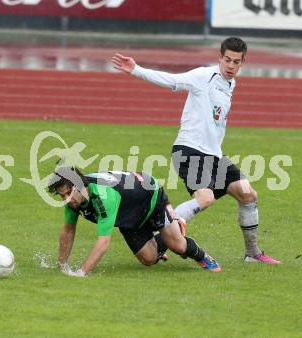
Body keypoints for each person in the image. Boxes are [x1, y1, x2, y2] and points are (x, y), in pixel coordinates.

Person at [111, 37, 281, 264]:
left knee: (247, 193)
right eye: (227, 60)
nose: (230, 66)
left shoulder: (231, 84)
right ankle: (165, 229)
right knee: (205, 197)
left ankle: (252, 254)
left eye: (236, 62)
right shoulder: (204, 76)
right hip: (189, 151)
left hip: (214, 156)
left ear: (243, 63)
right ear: (219, 58)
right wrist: (136, 70)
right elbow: (172, 81)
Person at [47, 166, 222, 277]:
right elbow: (68, 231)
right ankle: (169, 233)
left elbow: (103, 242)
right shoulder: (74, 200)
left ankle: (202, 256)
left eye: (69, 193)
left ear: (80, 185)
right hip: (128, 212)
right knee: (148, 260)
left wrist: (81, 272)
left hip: (150, 196)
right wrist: (61, 266)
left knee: (178, 246)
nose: (67, 199)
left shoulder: (103, 198)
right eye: (62, 195)